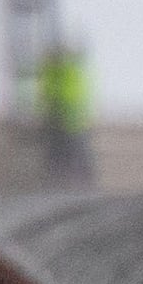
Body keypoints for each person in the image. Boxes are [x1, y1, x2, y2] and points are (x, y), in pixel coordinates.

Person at [34, 32, 95, 188]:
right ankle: (67, 181)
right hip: (64, 118)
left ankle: (73, 182)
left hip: (68, 118)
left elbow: (51, 93)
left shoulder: (64, 69)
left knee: (69, 153)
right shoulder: (61, 69)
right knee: (67, 153)